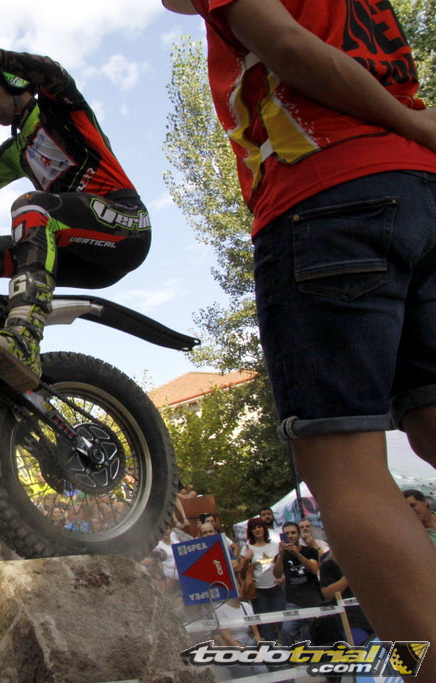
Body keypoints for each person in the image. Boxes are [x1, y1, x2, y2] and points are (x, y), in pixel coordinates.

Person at [163, 0, 436, 653]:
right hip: (418, 190)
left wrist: (412, 123)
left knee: (342, 465)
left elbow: (284, 43)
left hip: (325, 192)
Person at [0, 37, 150, 391]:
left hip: (126, 226)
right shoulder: (17, 150)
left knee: (33, 206)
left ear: (14, 83)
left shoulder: (59, 109)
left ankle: (23, 338)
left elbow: (53, 73)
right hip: (76, 252)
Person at [273, 521, 322, 645]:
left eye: (293, 533)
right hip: (293, 601)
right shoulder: (281, 555)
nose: (290, 536)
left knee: (313, 631)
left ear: (299, 535)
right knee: (286, 630)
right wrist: (280, 556)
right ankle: (290, 655)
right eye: (286, 534)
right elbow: (277, 574)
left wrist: (297, 554)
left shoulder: (310, 551)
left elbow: (313, 569)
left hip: (313, 600)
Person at [237, 517, 283, 641]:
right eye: (254, 528)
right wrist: (247, 559)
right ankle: (271, 647)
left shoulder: (275, 545)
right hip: (258, 590)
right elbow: (241, 572)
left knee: (281, 619)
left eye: (259, 527)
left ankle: (284, 644)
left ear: (264, 528)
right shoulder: (247, 548)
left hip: (275, 587)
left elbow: (281, 566)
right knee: (266, 623)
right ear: (250, 531)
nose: (257, 530)